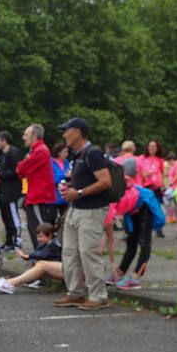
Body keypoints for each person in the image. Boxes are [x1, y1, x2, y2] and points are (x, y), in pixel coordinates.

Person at [55, 116, 112, 310]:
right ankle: (76, 293)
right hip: (77, 209)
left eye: (66, 130)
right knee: (70, 252)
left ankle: (98, 295)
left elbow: (105, 181)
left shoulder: (93, 153)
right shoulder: (79, 154)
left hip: (91, 210)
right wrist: (71, 187)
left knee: (89, 253)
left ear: (77, 132)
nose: (64, 135)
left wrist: (78, 192)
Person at [108, 183, 164, 289]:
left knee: (144, 242)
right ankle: (121, 272)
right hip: (133, 209)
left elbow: (109, 237)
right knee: (131, 241)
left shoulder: (109, 204)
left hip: (144, 204)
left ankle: (136, 277)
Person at [0, 222, 62, 293]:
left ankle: (9, 283)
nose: (39, 239)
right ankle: (32, 279)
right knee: (33, 259)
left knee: (40, 262)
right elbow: (38, 253)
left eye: (41, 237)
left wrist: (29, 255)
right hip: (57, 264)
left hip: (57, 262)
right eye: (38, 237)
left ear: (50, 235)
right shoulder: (45, 243)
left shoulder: (53, 244)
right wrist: (26, 256)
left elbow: (43, 254)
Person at [16, 124, 56, 236]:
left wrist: (21, 166)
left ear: (35, 136)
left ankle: (44, 253)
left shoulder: (41, 150)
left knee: (40, 230)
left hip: (38, 196)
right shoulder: (37, 150)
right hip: (35, 194)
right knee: (35, 228)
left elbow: (22, 168)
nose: (24, 137)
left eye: (26, 135)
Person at [0, 131, 23, 250]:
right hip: (3, 190)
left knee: (13, 215)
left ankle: (18, 240)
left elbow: (17, 171)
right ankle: (9, 240)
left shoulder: (14, 152)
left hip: (11, 191)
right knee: (5, 216)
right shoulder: (3, 155)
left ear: (4, 141)